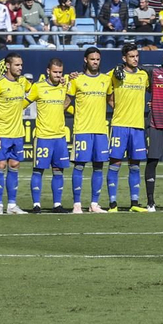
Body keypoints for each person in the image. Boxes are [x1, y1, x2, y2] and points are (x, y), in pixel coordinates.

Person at [0, 52, 33, 214]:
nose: (20, 67)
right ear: (7, 65)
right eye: (17, 65)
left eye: (21, 64)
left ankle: (12, 205)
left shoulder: (23, 82)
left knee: (15, 165)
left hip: (18, 133)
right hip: (2, 133)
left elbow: (35, 91)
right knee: (0, 165)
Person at [105, 42, 152, 211]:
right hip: (119, 125)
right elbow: (106, 93)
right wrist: (116, 108)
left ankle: (134, 203)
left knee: (135, 165)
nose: (135, 59)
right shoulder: (114, 74)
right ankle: (112, 203)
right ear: (124, 58)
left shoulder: (144, 76)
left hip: (138, 127)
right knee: (115, 163)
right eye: (131, 57)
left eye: (137, 56)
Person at [66, 47, 114, 213]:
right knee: (79, 166)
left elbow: (112, 101)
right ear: (86, 60)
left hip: (101, 130)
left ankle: (94, 204)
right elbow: (65, 103)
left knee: (99, 167)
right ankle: (77, 204)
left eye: (98, 59)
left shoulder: (106, 80)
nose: (95, 62)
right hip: (82, 130)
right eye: (92, 59)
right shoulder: (76, 80)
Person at [27, 57, 72, 212]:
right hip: (43, 136)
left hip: (60, 136)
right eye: (55, 72)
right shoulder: (38, 87)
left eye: (60, 72)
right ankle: (36, 205)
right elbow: (22, 104)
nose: (58, 75)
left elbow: (65, 105)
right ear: (48, 71)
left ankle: (57, 204)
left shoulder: (64, 86)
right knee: (38, 170)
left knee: (58, 170)